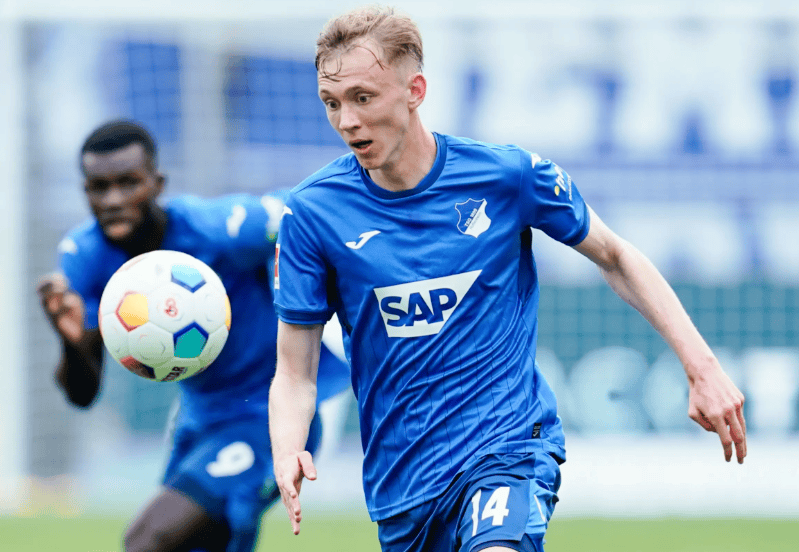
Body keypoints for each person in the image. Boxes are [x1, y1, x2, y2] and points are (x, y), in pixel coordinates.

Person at [268, 6, 747, 552]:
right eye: (332, 103)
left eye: (362, 97)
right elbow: (295, 372)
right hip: (404, 485)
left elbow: (615, 256)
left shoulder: (506, 176)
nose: (347, 120)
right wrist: (287, 447)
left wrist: (702, 367)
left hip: (508, 448)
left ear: (415, 90)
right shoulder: (312, 213)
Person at [37, 120, 350, 552]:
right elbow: (82, 394)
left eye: (128, 183)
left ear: (157, 183)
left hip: (268, 417)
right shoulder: (85, 256)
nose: (113, 200)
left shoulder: (219, 229)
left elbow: (308, 214)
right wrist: (71, 343)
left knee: (148, 539)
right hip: (199, 420)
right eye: (99, 187)